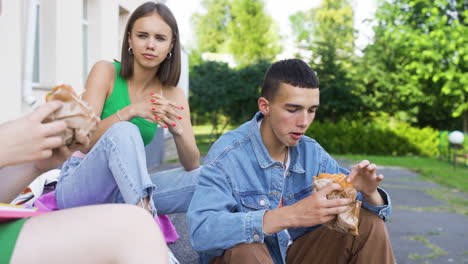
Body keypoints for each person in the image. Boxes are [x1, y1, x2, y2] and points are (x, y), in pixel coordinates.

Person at [187, 59, 394, 264]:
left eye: (311, 110)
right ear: (265, 106)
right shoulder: (228, 155)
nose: (303, 122)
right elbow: (202, 231)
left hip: (295, 254)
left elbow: (356, 210)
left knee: (369, 223)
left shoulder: (311, 152)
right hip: (246, 259)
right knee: (246, 248)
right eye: (293, 109)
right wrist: (291, 215)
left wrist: (369, 193)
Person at [55, 2, 200, 220]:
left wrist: (178, 130)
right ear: (130, 39)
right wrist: (131, 111)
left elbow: (192, 164)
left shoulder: (173, 94)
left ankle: (223, 250)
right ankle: (144, 225)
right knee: (124, 130)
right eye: (143, 36)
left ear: (171, 45)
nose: (150, 45)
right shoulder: (105, 71)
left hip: (125, 190)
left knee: (208, 178)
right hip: (79, 186)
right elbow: (80, 140)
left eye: (160, 38)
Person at [0, 101, 168, 264]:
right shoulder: (106, 74)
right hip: (75, 188)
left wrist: (34, 166)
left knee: (139, 224)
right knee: (137, 227)